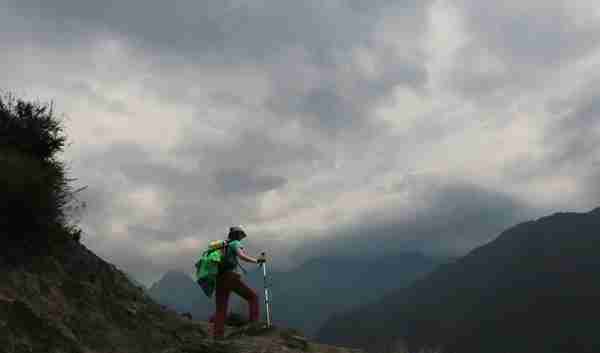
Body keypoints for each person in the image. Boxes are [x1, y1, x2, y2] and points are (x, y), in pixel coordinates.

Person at [212, 226, 265, 339]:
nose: (242, 238)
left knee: (221, 308)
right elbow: (241, 256)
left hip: (219, 278)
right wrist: (257, 260)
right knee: (253, 297)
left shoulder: (224, 245)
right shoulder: (235, 243)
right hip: (230, 277)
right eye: (241, 235)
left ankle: (217, 336)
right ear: (238, 235)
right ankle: (253, 326)